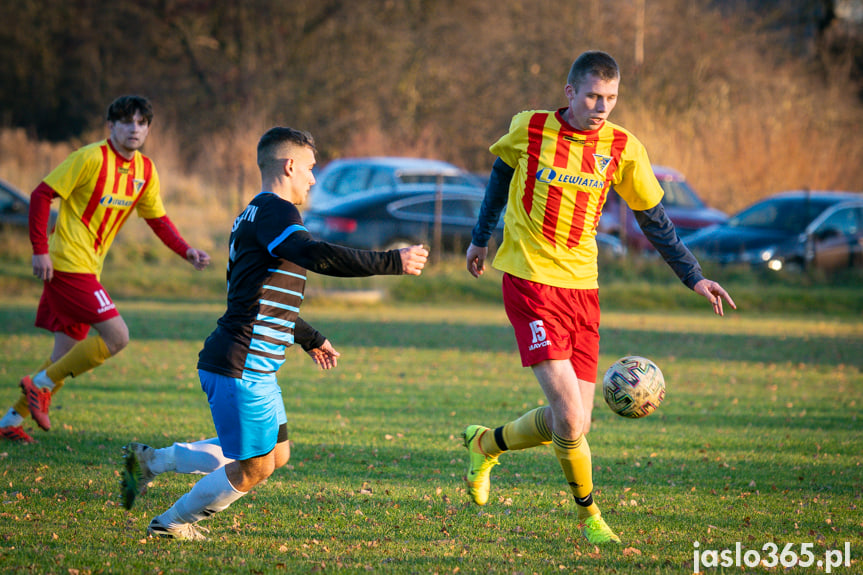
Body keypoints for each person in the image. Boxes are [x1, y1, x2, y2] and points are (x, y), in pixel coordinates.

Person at [461, 51, 736, 545]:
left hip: (583, 291)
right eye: (592, 95)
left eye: (610, 98)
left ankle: (486, 444)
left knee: (575, 420)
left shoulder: (624, 147)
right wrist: (481, 237)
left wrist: (694, 277)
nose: (601, 106)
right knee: (570, 417)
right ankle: (591, 518)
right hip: (530, 282)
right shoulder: (531, 127)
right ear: (570, 92)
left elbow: (655, 221)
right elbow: (499, 181)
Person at [120, 126, 428, 541]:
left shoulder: (253, 213)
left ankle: (152, 462)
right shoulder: (276, 212)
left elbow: (258, 296)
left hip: (249, 362)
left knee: (276, 453)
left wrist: (309, 336)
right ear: (289, 166)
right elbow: (314, 254)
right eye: (310, 169)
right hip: (241, 364)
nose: (313, 179)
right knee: (255, 466)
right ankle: (171, 523)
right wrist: (391, 261)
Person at [0, 95, 211, 444]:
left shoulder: (145, 170)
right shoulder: (89, 157)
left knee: (64, 356)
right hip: (67, 263)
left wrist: (186, 250)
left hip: (88, 269)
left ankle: (10, 420)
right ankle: (40, 386)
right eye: (126, 121)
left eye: (141, 122)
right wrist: (39, 250)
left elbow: (157, 219)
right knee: (117, 337)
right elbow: (40, 194)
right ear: (111, 125)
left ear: (148, 129)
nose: (134, 128)